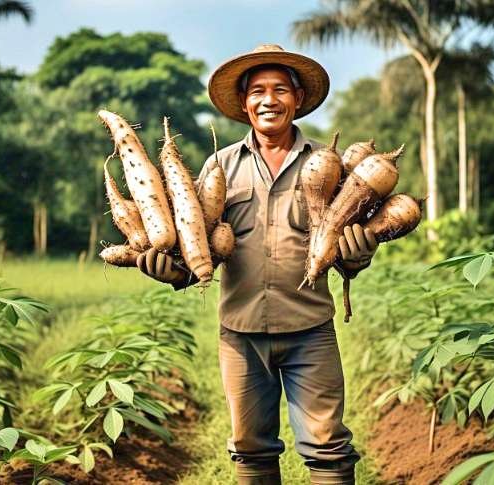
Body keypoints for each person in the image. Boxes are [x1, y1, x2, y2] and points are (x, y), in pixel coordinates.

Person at [137, 44, 378, 485]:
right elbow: (197, 248)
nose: (269, 100)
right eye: (259, 91)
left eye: (281, 89)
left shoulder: (329, 164)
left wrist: (360, 253)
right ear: (245, 102)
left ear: (298, 98)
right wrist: (169, 270)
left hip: (310, 330)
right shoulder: (219, 167)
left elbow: (348, 238)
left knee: (329, 447)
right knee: (250, 448)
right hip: (241, 333)